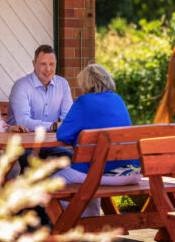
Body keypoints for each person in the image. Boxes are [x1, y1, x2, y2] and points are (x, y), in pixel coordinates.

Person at [54, 64, 142, 217]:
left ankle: (66, 222)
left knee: (47, 185)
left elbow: (62, 135)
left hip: (107, 174)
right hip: (133, 171)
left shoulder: (83, 102)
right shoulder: (117, 99)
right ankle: (89, 219)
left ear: (85, 83)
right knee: (89, 176)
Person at [7, 45, 73, 171]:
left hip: (48, 144)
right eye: (43, 64)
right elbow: (23, 122)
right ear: (34, 64)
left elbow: (68, 118)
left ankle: (55, 191)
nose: (48, 69)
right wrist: (54, 126)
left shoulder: (62, 84)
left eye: (52, 64)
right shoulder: (21, 85)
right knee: (29, 163)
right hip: (21, 144)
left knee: (73, 161)